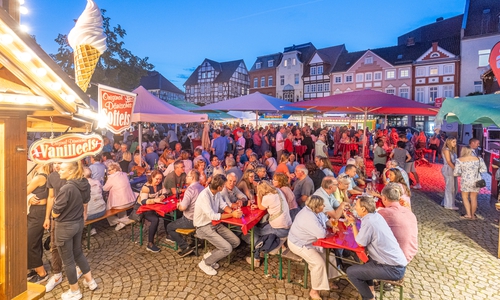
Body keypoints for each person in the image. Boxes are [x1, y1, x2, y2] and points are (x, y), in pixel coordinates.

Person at [345, 195, 407, 300]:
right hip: (396, 263)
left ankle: (369, 298)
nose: (355, 207)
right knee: (365, 262)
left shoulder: (369, 221)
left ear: (363, 209)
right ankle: (371, 292)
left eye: (356, 205)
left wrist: (353, 224)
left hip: (392, 268)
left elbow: (360, 242)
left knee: (351, 272)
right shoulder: (375, 216)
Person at [52, 161, 98, 300]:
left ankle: (74, 291)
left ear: (71, 172)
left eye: (62, 168)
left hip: (65, 226)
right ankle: (90, 281)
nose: (59, 170)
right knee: (78, 253)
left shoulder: (67, 188)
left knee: (68, 261)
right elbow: (86, 201)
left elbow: (55, 212)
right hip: (78, 223)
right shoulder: (84, 182)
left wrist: (54, 211)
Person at [288, 195, 339, 299]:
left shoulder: (315, 211)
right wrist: (329, 230)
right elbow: (322, 234)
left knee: (331, 257)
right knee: (318, 263)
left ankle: (329, 280)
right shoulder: (308, 217)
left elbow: (325, 220)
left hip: (311, 242)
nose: (324, 206)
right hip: (300, 244)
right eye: (322, 205)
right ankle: (314, 291)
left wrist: (331, 225)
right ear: (316, 207)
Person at [194, 174, 243, 275]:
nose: (224, 187)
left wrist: (234, 214)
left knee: (236, 241)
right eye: (224, 185)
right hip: (203, 226)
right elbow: (213, 216)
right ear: (219, 187)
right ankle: (205, 263)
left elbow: (223, 205)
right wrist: (231, 215)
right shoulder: (204, 196)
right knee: (227, 248)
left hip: (214, 223)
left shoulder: (217, 193)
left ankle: (211, 256)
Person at [246, 180, 292, 267]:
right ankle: (262, 250)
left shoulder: (267, 198)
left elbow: (261, 207)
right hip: (287, 226)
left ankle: (256, 258)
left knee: (254, 230)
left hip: (279, 229)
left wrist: (257, 194)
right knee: (263, 226)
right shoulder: (278, 191)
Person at [166, 169, 205, 257]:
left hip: (190, 220)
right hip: (201, 218)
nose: (186, 178)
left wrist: (179, 205)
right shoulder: (202, 187)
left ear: (193, 177)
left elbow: (183, 207)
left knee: (169, 227)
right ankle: (196, 241)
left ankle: (185, 247)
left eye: (188, 176)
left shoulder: (190, 189)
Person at [379, 183, 418, 263]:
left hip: (395, 258)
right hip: (409, 253)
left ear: (384, 198)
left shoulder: (385, 212)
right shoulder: (408, 211)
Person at [27, 163, 50, 284]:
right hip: (38, 212)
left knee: (30, 242)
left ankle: (42, 273)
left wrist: (29, 196)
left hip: (37, 213)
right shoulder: (43, 176)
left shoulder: (39, 177)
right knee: (34, 240)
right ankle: (36, 268)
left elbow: (21, 192)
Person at [138, 170, 168, 253]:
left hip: (155, 207)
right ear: (152, 177)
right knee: (155, 220)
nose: (158, 181)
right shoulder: (146, 187)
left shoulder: (160, 185)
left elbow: (165, 193)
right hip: (145, 209)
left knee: (168, 214)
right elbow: (143, 201)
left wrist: (162, 196)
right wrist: (155, 200)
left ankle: (169, 235)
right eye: (157, 179)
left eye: (160, 179)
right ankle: (150, 243)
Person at [454, 146, 487, 220]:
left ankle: (468, 214)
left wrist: (463, 173)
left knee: (465, 197)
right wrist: (476, 171)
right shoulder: (479, 159)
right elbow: (484, 170)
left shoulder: (459, 160)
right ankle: (472, 215)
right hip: (476, 181)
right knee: (474, 198)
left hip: (465, 181)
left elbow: (456, 173)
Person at [102, 162, 136, 230]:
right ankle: (123, 220)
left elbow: (104, 188)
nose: (108, 172)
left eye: (109, 170)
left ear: (114, 170)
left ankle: (120, 222)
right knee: (121, 201)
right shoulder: (124, 174)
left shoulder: (111, 177)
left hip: (121, 204)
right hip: (130, 200)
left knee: (106, 210)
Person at [83, 167, 106, 232]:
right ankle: (91, 228)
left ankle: (90, 229)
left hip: (89, 215)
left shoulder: (82, 185)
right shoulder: (97, 182)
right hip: (102, 210)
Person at [441, 137, 458, 210]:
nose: (455, 143)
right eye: (453, 142)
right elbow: (448, 161)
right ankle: (448, 204)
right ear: (449, 142)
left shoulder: (451, 150)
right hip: (448, 169)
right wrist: (455, 168)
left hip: (451, 168)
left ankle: (447, 202)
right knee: (450, 187)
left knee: (454, 187)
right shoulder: (446, 150)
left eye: (455, 142)